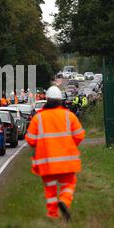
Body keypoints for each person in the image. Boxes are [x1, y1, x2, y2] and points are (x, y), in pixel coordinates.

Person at [25, 86, 85, 220]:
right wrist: (70, 144)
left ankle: (52, 214)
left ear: (47, 100)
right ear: (60, 100)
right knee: (68, 184)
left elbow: (30, 139)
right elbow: (80, 135)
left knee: (50, 188)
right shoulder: (69, 116)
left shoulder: (38, 118)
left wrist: (40, 145)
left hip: (46, 162)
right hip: (67, 161)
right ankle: (64, 200)